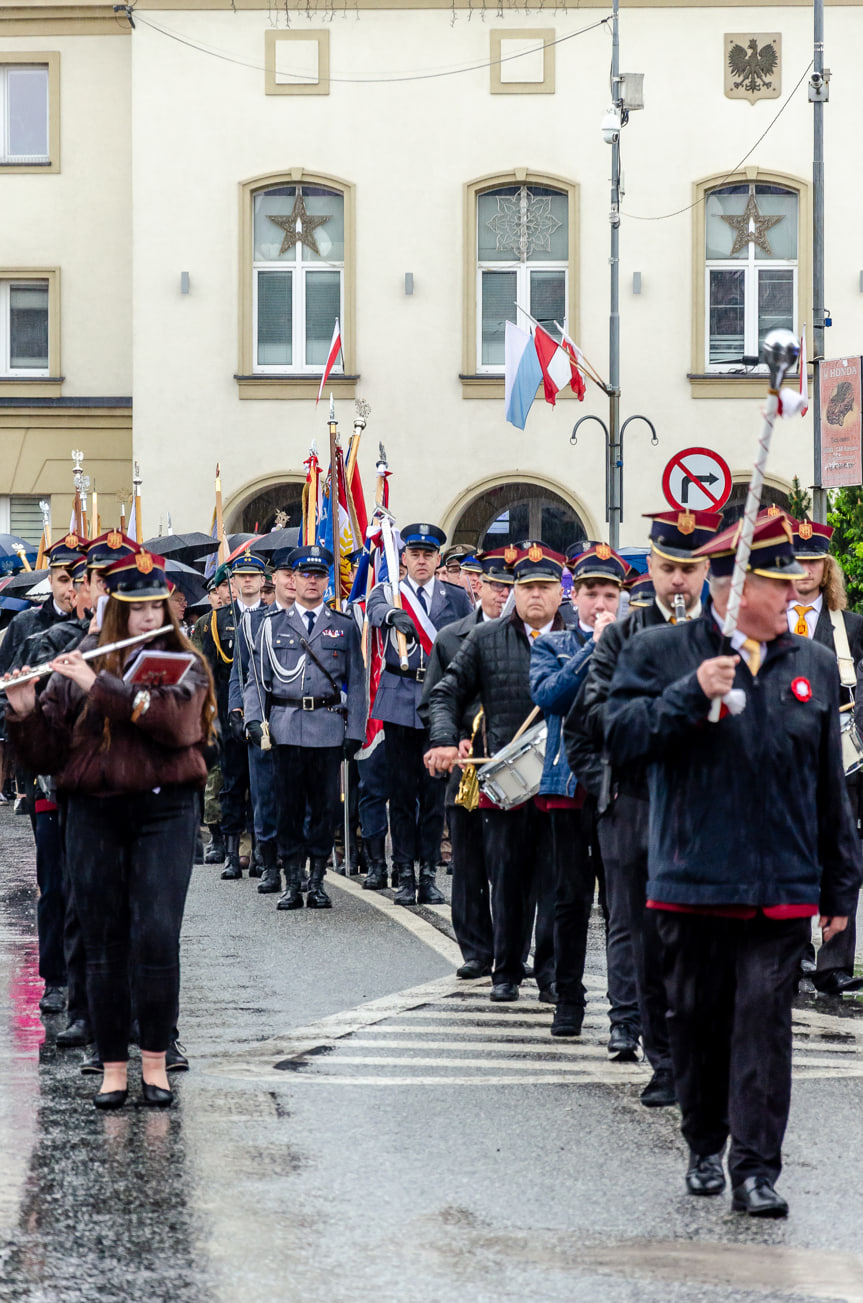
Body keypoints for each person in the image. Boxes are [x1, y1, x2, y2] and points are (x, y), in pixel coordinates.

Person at [605, 513, 862, 1216]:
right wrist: (690, 693)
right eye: (776, 583)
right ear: (736, 583)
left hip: (778, 888)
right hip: (691, 880)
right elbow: (621, 740)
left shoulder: (807, 661)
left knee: (763, 1028)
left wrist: (841, 883)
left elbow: (825, 785)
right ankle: (701, 1143)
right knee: (696, 1023)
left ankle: (755, 1169)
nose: (791, 594)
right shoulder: (660, 650)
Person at [5, 549, 216, 1110]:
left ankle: (155, 1060)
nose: (148, 619)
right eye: (136, 609)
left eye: (155, 608)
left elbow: (174, 724)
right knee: (102, 939)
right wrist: (24, 710)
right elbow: (48, 754)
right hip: (94, 811)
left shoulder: (183, 660)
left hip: (164, 810)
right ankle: (113, 1067)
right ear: (115, 609)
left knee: (154, 933)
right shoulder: (78, 661)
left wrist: (101, 686)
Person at [564, 509, 722, 1108]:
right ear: (650, 569)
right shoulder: (623, 639)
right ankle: (660, 1058)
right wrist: (604, 787)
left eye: (690, 569)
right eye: (668, 569)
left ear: (704, 570)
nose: (679, 581)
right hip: (633, 805)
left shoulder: (724, 635)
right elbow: (586, 726)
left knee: (703, 938)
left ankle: (699, 1053)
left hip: (705, 808)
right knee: (643, 937)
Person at [425, 543, 565, 1002]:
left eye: (546, 587)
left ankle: (550, 972)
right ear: (514, 594)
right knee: (506, 877)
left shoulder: (577, 642)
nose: (536, 596)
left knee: (556, 882)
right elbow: (444, 693)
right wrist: (444, 739)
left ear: (560, 593)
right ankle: (505, 970)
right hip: (505, 781)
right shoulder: (485, 640)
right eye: (528, 588)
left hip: (564, 779)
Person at [531, 544, 633, 1044]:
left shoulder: (637, 644)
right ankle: (568, 998)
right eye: (591, 592)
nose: (600, 602)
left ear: (623, 597)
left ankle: (625, 1013)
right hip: (567, 787)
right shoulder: (553, 644)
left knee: (621, 904)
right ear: (575, 598)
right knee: (570, 900)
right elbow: (550, 696)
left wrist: (615, 647)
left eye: (609, 593)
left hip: (621, 790)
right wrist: (595, 648)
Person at [244, 545, 366, 910]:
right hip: (285, 727)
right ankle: (292, 881)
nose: (312, 582)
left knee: (325, 808)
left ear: (326, 582)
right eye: (305, 575)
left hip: (328, 729)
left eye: (319, 576)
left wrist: (355, 730)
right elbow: (257, 679)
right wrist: (253, 717)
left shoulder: (343, 626)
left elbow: (357, 682)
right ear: (292, 580)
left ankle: (317, 880)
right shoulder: (273, 625)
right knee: (288, 808)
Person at [367, 523, 472, 905]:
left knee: (433, 795)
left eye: (429, 554)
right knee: (401, 792)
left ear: (437, 559)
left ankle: (428, 873)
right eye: (414, 554)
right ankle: (403, 874)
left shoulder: (456, 597)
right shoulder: (389, 592)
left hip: (440, 697)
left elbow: (469, 637)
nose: (421, 560)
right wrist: (392, 615)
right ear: (405, 558)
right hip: (398, 698)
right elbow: (373, 608)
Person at [418, 548, 510, 974]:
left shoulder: (529, 636)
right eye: (495, 585)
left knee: (510, 866)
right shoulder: (451, 637)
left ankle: (511, 951)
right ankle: (476, 951)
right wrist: (453, 738)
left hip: (512, 763)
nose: (502, 594)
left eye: (510, 587)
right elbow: (433, 701)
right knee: (469, 862)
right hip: (467, 766)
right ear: (479, 585)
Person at [788, 517, 863, 995]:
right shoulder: (768, 622)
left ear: (826, 567)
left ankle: (833, 963)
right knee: (790, 861)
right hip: (785, 761)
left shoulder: (851, 627)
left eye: (813, 560)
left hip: (842, 763)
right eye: (794, 560)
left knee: (842, 860)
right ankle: (791, 956)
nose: (803, 570)